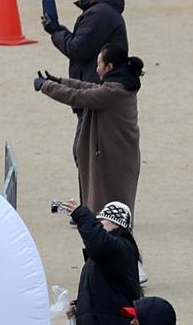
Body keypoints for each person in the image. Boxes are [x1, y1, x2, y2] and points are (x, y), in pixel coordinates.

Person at [37, 51, 142, 216]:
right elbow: (90, 88)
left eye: (99, 64)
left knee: (107, 206)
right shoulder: (119, 85)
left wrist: (46, 86)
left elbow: (78, 96)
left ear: (109, 66)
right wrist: (60, 81)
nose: (96, 68)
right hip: (118, 155)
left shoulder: (112, 92)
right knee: (110, 203)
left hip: (113, 158)